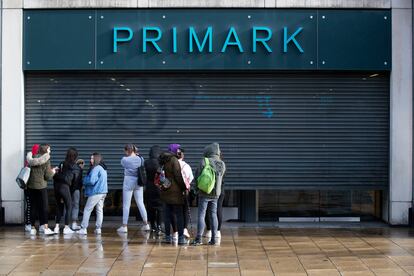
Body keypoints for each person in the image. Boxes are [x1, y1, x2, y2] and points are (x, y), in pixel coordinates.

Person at [192, 143, 226, 246]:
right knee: (213, 214)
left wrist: (196, 189)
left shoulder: (204, 161)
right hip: (216, 193)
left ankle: (198, 238)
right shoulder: (222, 163)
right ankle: (214, 239)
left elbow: (197, 175)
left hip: (204, 192)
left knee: (201, 215)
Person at [159, 144, 188, 245]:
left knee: (167, 215)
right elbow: (178, 175)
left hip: (165, 190)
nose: (179, 151)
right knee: (179, 215)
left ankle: (167, 237)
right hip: (175, 191)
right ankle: (180, 238)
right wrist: (183, 187)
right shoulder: (173, 160)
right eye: (178, 149)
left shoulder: (163, 159)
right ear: (174, 150)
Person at [117, 144, 150, 233]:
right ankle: (146, 224)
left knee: (126, 205)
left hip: (128, 181)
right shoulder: (141, 158)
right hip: (138, 181)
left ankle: (124, 226)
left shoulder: (124, 159)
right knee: (140, 203)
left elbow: (123, 165)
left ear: (127, 151)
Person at [26, 144, 56, 235]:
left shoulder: (32, 158)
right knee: (44, 207)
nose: (50, 151)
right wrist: (53, 171)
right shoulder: (46, 160)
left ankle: (32, 228)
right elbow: (47, 176)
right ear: (46, 150)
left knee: (33, 207)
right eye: (49, 149)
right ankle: (45, 227)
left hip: (31, 186)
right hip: (41, 187)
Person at [77, 152, 108, 235]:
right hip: (103, 192)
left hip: (96, 192)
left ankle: (83, 228)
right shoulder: (103, 168)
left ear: (96, 159)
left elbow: (91, 181)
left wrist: (84, 180)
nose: (90, 160)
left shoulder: (96, 168)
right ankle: (98, 229)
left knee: (87, 209)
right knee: (99, 210)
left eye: (92, 158)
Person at [53, 147, 81, 234]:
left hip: (57, 187)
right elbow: (75, 183)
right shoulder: (76, 167)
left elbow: (57, 175)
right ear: (76, 156)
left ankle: (56, 227)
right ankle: (66, 227)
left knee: (59, 206)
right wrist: (70, 192)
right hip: (65, 188)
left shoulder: (62, 163)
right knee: (69, 206)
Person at [144, 145, 163, 235]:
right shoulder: (160, 162)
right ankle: (159, 226)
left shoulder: (146, 162)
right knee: (160, 208)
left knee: (151, 208)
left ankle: (153, 226)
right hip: (159, 187)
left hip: (149, 187)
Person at [177, 148, 194, 239]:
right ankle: (184, 229)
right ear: (182, 156)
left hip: (173, 192)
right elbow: (190, 178)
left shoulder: (169, 165)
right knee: (185, 211)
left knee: (176, 211)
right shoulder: (186, 166)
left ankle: (175, 231)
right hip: (184, 191)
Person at [24, 144, 40, 232]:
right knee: (30, 206)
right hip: (28, 188)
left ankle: (30, 223)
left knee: (32, 206)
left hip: (32, 188)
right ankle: (28, 224)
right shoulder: (31, 162)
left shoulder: (32, 160)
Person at [71, 159, 84, 230]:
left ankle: (67, 223)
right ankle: (74, 223)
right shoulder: (79, 170)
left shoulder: (72, 168)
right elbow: (78, 181)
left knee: (69, 205)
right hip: (76, 190)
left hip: (69, 189)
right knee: (76, 205)